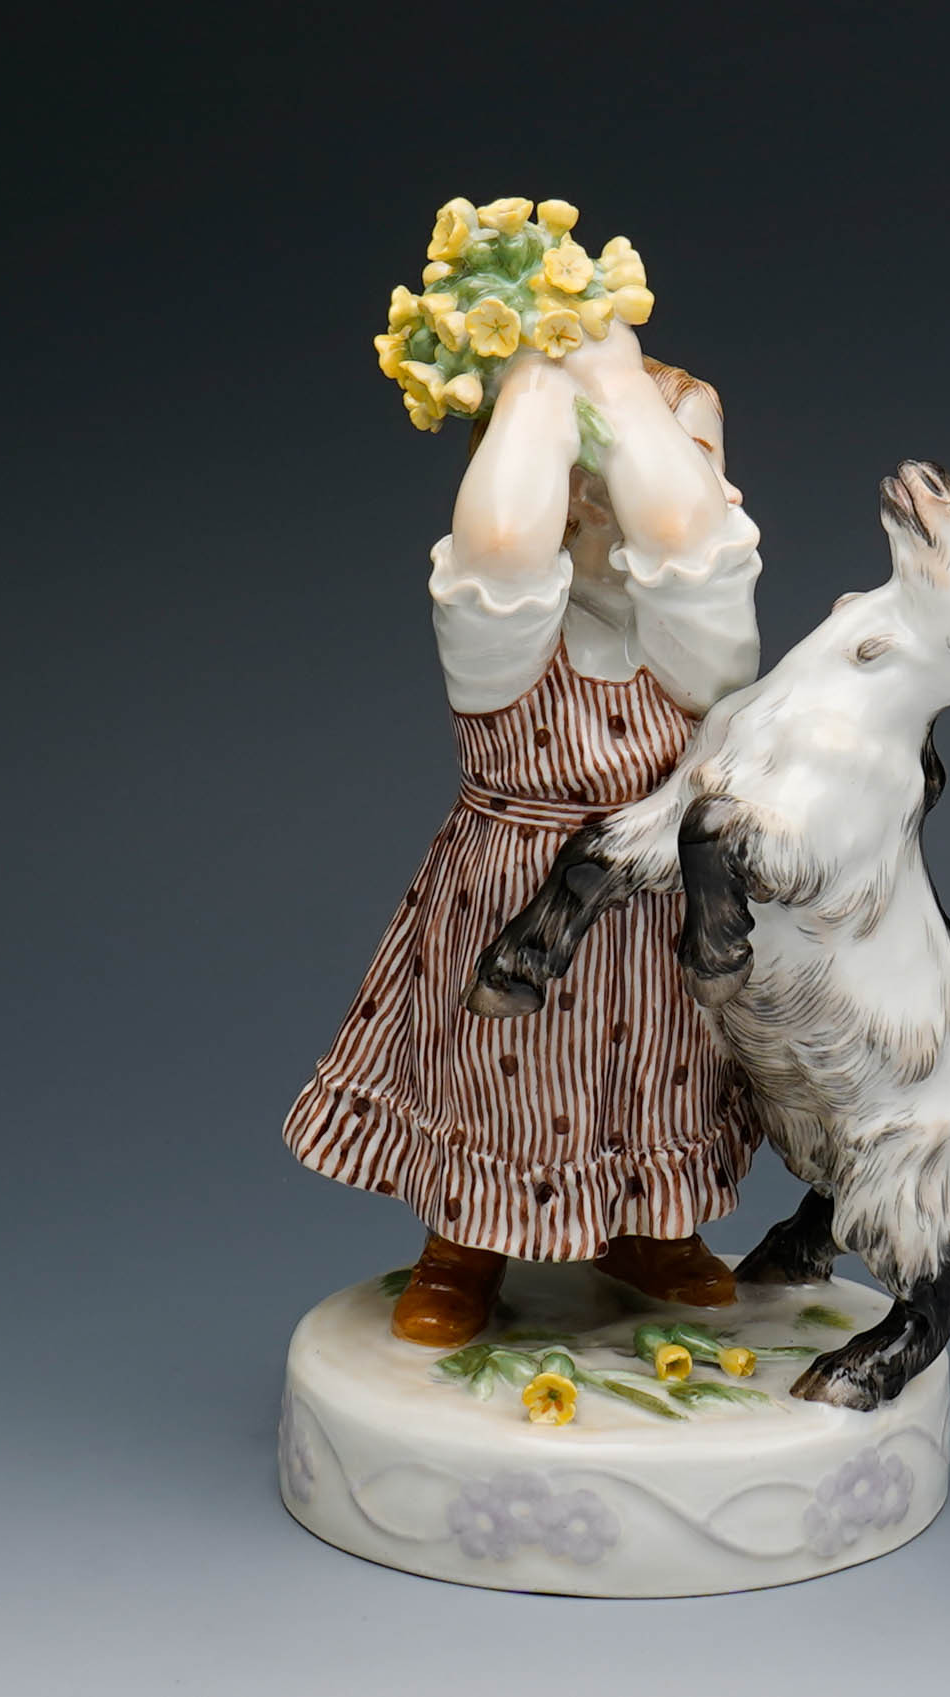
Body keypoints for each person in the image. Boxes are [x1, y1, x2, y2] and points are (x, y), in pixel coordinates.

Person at [282, 321, 764, 1345]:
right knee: (497, 1070)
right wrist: (545, 378)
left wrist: (619, 386)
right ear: (569, 495)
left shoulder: (692, 635)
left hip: (658, 902)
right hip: (514, 896)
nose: (712, 497)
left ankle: (646, 1226)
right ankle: (464, 1244)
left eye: (703, 462)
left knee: (663, 1071)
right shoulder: (505, 631)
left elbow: (692, 555)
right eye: (683, 466)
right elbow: (498, 549)